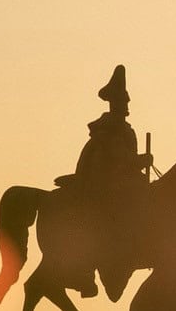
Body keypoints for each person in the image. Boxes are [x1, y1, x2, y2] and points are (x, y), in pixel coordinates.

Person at [56, 66, 152, 298]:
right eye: (122, 103)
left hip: (121, 181)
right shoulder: (110, 131)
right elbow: (121, 159)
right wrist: (142, 161)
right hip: (104, 184)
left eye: (126, 103)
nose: (126, 107)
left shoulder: (122, 129)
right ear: (114, 104)